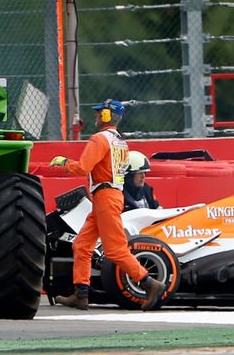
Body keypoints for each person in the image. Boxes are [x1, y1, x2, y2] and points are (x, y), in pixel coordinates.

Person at [49, 99, 165, 311]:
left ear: (106, 116)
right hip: (107, 197)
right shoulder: (120, 141)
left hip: (105, 197)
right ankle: (81, 293)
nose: (95, 116)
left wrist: (64, 163)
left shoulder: (99, 139)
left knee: (115, 250)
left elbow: (83, 168)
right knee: (82, 245)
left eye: (99, 112)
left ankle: (150, 283)